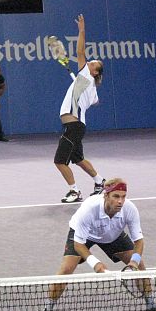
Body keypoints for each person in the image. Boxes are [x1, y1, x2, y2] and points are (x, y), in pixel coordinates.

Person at [36, 178, 156, 311]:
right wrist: (96, 264)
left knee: (140, 269)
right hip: (84, 236)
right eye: (116, 196)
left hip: (113, 235)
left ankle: (152, 308)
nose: (120, 201)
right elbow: (79, 244)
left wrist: (134, 261)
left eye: (123, 196)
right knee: (66, 270)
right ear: (106, 195)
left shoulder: (130, 209)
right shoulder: (89, 208)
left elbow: (139, 241)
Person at [54, 14, 105, 203]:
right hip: (77, 125)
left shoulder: (86, 76)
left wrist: (81, 31)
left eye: (93, 63)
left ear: (95, 72)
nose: (88, 62)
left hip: (74, 126)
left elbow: (80, 51)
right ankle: (100, 183)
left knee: (60, 161)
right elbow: (95, 101)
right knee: (78, 159)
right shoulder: (89, 84)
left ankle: (74, 192)